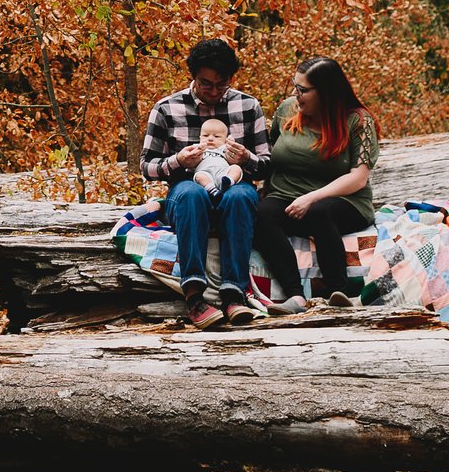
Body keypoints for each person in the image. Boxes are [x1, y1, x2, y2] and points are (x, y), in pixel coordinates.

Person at [139, 37, 271, 329]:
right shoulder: (167, 109)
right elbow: (146, 166)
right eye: (205, 83)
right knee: (190, 193)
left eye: (220, 84)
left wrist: (246, 158)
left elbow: (266, 164)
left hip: (234, 185)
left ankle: (234, 294)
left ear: (230, 79)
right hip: (187, 188)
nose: (212, 91)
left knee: (240, 196)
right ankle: (195, 297)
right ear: (193, 77)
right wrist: (177, 162)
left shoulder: (248, 106)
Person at [253, 55, 380, 312]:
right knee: (263, 214)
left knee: (319, 211)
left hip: (345, 201)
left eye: (302, 90)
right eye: (294, 86)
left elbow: (358, 177)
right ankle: (295, 296)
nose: (295, 93)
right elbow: (272, 154)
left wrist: (312, 197)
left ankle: (338, 293)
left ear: (326, 92)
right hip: (287, 195)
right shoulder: (287, 110)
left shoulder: (358, 121)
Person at [191, 120, 239, 195]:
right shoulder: (197, 148)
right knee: (199, 177)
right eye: (205, 135)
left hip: (224, 172)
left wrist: (231, 142)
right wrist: (196, 152)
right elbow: (189, 160)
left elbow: (233, 153)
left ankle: (229, 181)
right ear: (200, 137)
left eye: (216, 136)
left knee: (236, 168)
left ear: (225, 139)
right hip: (205, 172)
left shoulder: (224, 147)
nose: (210, 138)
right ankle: (213, 191)